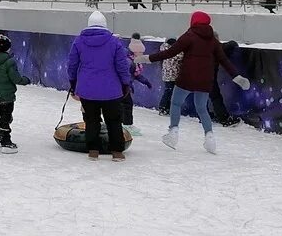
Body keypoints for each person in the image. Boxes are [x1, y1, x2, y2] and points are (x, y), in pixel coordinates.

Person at [147, 11, 250, 153]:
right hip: (205, 80)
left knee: (176, 103)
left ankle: (173, 133)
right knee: (202, 109)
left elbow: (170, 53)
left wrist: (147, 58)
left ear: (193, 21)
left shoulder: (188, 36)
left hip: (187, 78)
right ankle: (210, 138)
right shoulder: (213, 40)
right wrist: (236, 76)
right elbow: (224, 60)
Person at [67, 10, 132, 160]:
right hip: (111, 90)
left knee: (91, 120)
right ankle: (117, 151)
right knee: (114, 120)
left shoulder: (79, 41)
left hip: (87, 89)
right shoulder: (114, 42)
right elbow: (122, 65)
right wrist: (125, 83)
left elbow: (72, 64)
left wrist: (73, 81)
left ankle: (93, 150)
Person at [157, 37, 180, 116]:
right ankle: (163, 107)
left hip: (166, 75)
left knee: (168, 91)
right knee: (169, 92)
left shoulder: (164, 50)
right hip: (173, 75)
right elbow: (180, 56)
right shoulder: (173, 52)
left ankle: (165, 108)